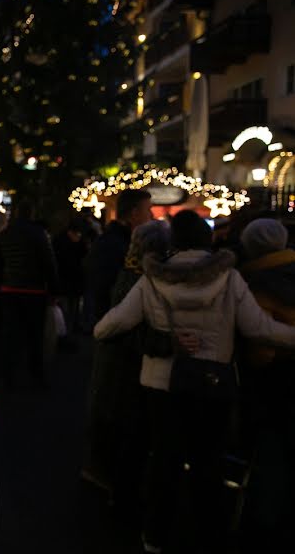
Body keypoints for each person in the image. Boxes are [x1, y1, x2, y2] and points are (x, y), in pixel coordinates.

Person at [94, 210, 295, 554]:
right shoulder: (229, 279)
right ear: (207, 238)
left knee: (164, 459)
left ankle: (155, 534)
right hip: (212, 383)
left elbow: (106, 328)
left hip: (160, 385)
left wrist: (158, 337)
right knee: (208, 461)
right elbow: (258, 328)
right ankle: (207, 534)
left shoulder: (152, 278)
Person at [84, 220, 170, 510]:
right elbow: (117, 319)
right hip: (129, 355)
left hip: (115, 353)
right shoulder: (144, 278)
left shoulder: (126, 269)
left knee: (112, 413)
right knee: (127, 420)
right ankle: (113, 479)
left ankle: (103, 470)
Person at [238, 218, 295, 551]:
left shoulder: (255, 282)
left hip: (276, 380)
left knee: (273, 450)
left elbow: (261, 347)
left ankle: (268, 525)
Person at [0, 199, 59, 387]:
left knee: (10, 334)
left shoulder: (5, 233)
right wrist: (54, 289)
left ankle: (8, 375)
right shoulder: (39, 234)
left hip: (9, 290)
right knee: (35, 335)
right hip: (34, 290)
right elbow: (49, 263)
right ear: (31, 213)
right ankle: (36, 374)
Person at [86, 189, 153, 322]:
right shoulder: (114, 244)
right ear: (135, 213)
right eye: (148, 209)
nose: (151, 215)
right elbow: (106, 288)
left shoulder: (122, 241)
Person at [52, 218, 90, 336]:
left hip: (67, 279)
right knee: (70, 308)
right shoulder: (77, 241)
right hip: (71, 279)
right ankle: (67, 332)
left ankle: (66, 332)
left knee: (69, 308)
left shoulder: (59, 240)